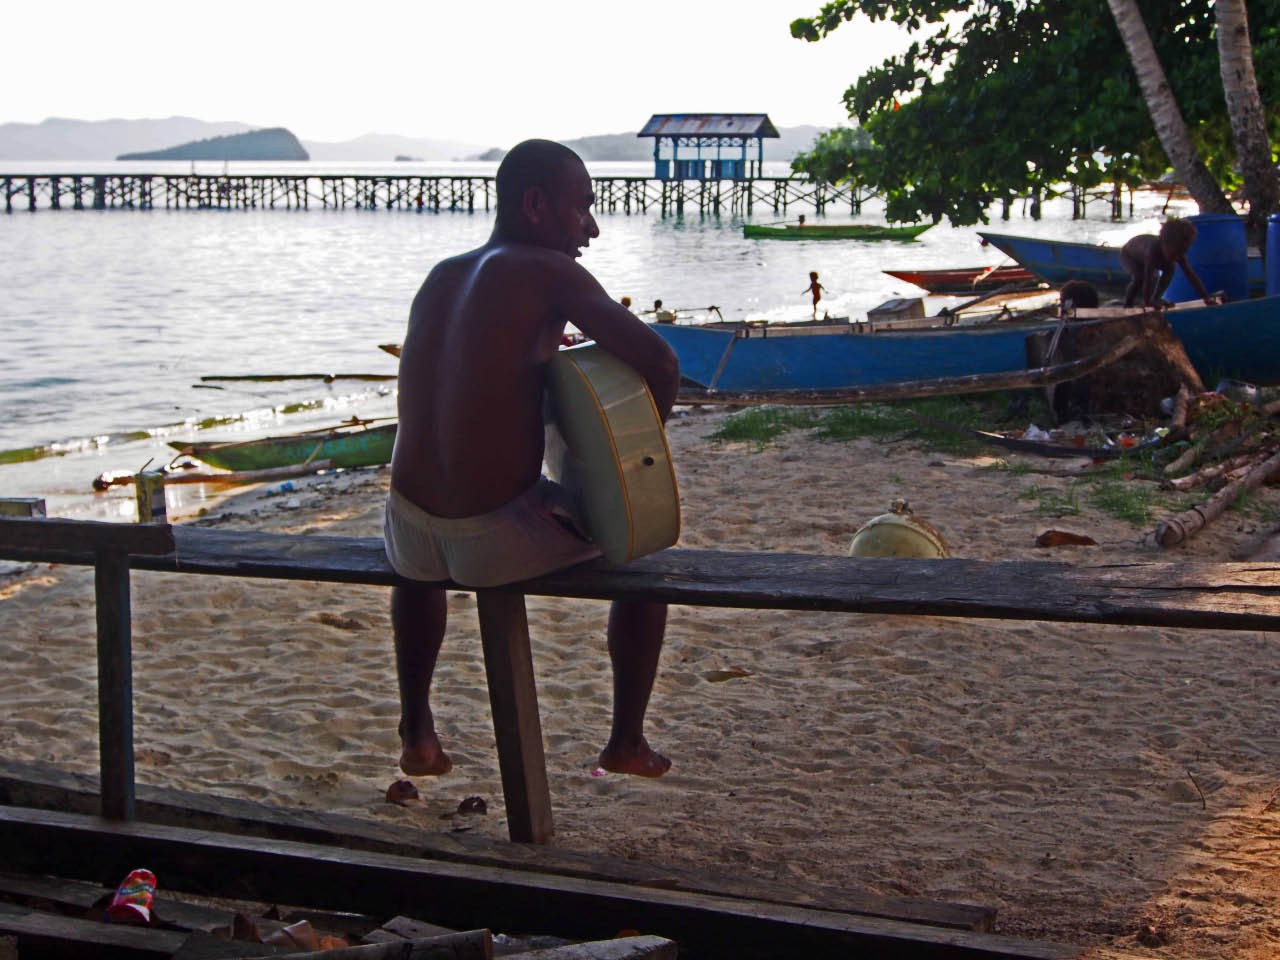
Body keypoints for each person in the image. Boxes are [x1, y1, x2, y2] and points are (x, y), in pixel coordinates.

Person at [384, 139, 680, 780]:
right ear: (537, 204)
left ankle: (418, 733)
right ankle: (626, 742)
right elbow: (660, 362)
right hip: (492, 540)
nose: (592, 229)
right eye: (584, 209)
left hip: (406, 535)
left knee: (418, 567)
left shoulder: (442, 275)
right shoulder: (549, 271)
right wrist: (634, 463)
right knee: (644, 560)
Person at [1119, 218, 1218, 308]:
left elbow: (1191, 276)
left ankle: (1156, 298)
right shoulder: (1153, 251)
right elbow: (1148, 280)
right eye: (1174, 253)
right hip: (1129, 255)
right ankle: (1128, 304)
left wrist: (1206, 297)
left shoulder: (1177, 250)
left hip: (1146, 255)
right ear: (1164, 244)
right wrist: (1147, 302)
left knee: (1171, 268)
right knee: (1140, 277)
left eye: (1182, 252)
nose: (1177, 257)